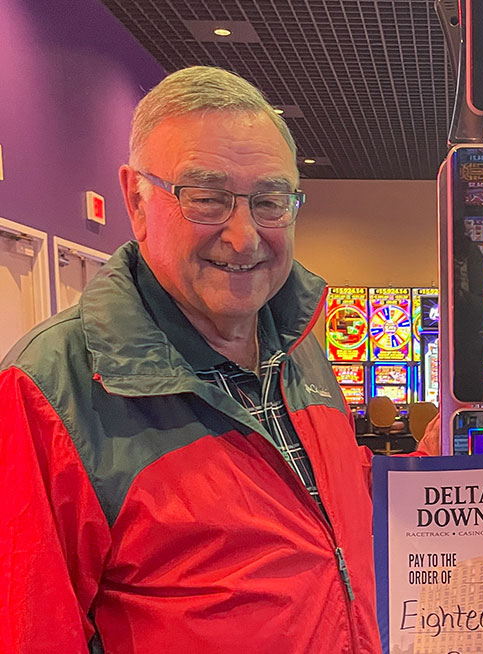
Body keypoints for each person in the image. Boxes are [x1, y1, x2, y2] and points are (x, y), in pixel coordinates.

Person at [0, 66, 398, 653]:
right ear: (136, 199)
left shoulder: (299, 343)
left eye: (269, 201)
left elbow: (315, 506)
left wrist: (432, 473)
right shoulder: (47, 392)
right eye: (207, 199)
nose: (244, 237)